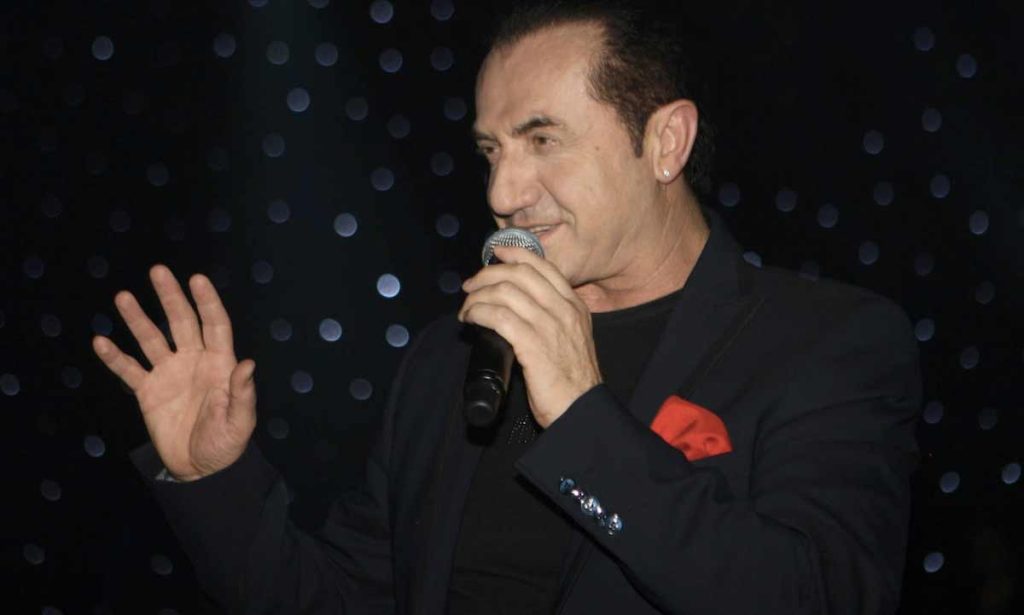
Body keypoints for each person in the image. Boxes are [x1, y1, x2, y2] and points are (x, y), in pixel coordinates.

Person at [91, 2, 921, 613]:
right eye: (491, 150)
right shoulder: (447, 358)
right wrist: (211, 479)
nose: (502, 191)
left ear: (665, 141)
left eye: (542, 139)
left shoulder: (827, 342)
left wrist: (583, 418)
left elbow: (815, 595)